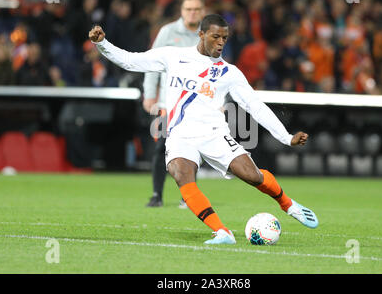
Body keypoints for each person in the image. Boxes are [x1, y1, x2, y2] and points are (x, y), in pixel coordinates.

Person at [89, 14, 318, 245]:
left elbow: (255, 107)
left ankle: (289, 205)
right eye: (215, 36)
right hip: (180, 134)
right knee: (180, 173)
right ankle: (222, 232)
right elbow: (131, 61)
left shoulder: (229, 73)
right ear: (201, 34)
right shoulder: (173, 56)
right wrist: (102, 44)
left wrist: (286, 137)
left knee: (252, 176)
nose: (221, 42)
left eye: (225, 38)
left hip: (214, 134)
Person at [142, 0, 205, 208]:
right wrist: (149, 94)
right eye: (189, 9)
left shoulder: (207, 35)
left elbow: (217, 69)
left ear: (202, 11)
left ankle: (187, 196)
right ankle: (156, 194)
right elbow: (152, 63)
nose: (192, 13)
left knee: (192, 149)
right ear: (182, 10)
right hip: (168, 103)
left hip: (196, 104)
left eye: (196, 9)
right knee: (162, 148)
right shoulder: (168, 32)